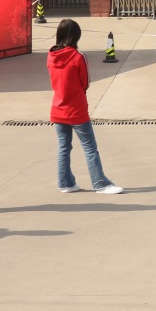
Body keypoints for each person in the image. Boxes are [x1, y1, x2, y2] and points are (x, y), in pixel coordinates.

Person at [47, 19, 125, 194]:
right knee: (90, 148)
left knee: (63, 147)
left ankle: (65, 182)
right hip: (76, 109)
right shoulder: (77, 56)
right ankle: (100, 183)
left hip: (58, 107)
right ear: (76, 36)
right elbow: (85, 83)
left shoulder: (51, 56)